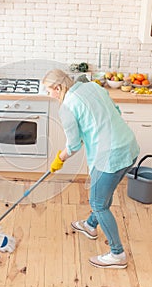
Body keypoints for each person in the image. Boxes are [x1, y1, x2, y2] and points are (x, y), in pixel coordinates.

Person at [43, 69, 139, 269]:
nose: (49, 95)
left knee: (98, 203)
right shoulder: (93, 86)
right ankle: (90, 226)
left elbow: (74, 146)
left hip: (109, 157)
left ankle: (117, 254)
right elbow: (117, 111)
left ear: (58, 88)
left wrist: (59, 159)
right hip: (129, 147)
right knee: (104, 195)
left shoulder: (67, 106)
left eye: (49, 90)